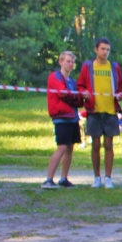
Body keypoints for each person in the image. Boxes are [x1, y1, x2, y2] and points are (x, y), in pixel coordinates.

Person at [77, 37, 122, 189]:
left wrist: (119, 94)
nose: (105, 52)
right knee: (95, 144)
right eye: (102, 49)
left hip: (110, 111)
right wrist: (84, 92)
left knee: (109, 144)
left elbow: (120, 85)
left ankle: (108, 178)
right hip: (93, 110)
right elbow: (80, 85)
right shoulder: (88, 66)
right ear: (96, 50)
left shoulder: (114, 67)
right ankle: (97, 177)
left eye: (108, 49)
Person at [43, 51, 85, 189]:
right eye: (68, 61)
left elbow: (79, 101)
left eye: (72, 62)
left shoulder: (73, 81)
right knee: (61, 147)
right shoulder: (55, 77)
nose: (70, 64)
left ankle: (63, 178)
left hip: (72, 117)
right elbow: (63, 94)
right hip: (61, 116)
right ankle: (49, 179)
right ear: (61, 62)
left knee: (70, 148)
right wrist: (77, 96)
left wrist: (80, 96)